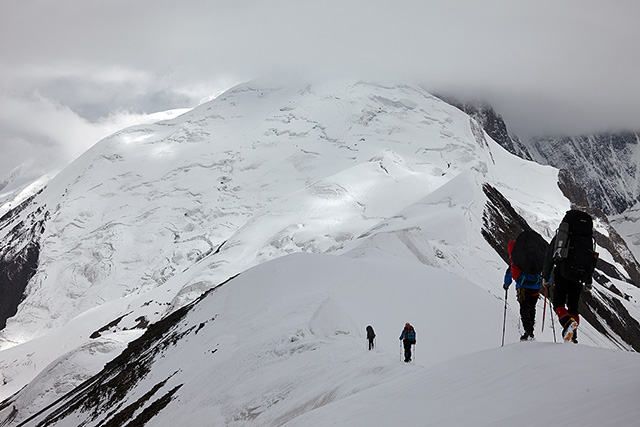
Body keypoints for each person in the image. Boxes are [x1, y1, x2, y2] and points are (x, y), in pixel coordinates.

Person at [542, 210, 597, 343]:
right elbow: (590, 258)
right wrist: (588, 279)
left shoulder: (563, 236)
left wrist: (546, 276)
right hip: (580, 275)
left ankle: (567, 324)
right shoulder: (586, 239)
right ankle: (573, 337)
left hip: (563, 272)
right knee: (573, 306)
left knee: (558, 303)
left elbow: (550, 256)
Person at [504, 241, 541, 341]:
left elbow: (509, 273)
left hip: (523, 287)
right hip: (536, 287)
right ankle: (531, 331)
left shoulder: (517, 260)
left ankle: (528, 331)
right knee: (532, 308)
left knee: (524, 308)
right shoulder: (532, 257)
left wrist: (506, 285)